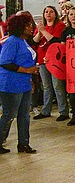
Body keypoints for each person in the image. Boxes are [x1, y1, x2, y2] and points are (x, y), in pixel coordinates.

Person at [0, 13, 39, 154]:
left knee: (24, 115)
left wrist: (30, 76)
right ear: (19, 27)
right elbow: (5, 62)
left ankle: (23, 143)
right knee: (9, 114)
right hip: (10, 83)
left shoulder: (23, 41)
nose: (31, 27)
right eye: (28, 25)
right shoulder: (12, 41)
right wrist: (27, 70)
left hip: (24, 83)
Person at [32, 5, 66, 120]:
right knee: (46, 86)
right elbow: (35, 41)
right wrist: (39, 32)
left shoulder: (59, 25)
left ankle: (63, 111)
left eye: (51, 12)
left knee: (57, 85)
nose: (48, 14)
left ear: (55, 14)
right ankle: (46, 110)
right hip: (42, 59)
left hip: (55, 60)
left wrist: (43, 31)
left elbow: (54, 40)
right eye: (46, 12)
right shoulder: (41, 26)